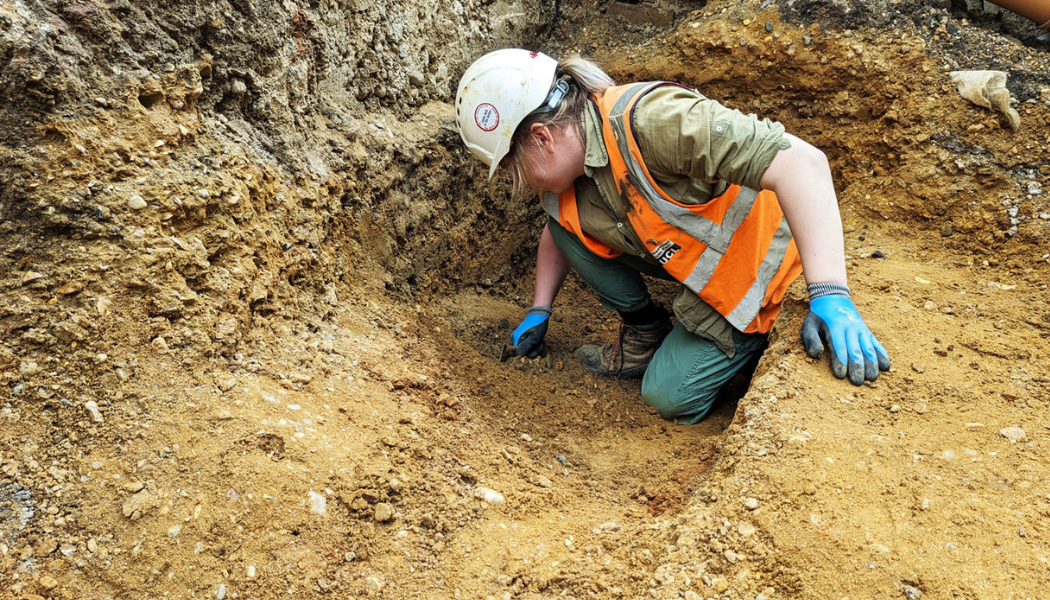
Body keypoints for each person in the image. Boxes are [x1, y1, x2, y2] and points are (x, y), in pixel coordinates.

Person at [454, 48, 890, 424]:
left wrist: (829, 291)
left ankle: (751, 349)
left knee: (667, 397)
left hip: (765, 272)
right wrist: (539, 309)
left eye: (513, 168)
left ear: (542, 137)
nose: (521, 183)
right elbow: (562, 231)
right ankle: (647, 336)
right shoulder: (574, 171)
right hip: (707, 272)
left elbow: (803, 164)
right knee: (564, 227)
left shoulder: (651, 121)